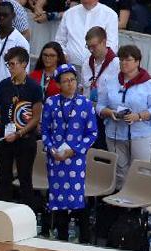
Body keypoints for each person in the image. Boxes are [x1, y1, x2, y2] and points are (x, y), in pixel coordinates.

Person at [42, 65, 97, 241]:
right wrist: (52, 150)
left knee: (77, 197)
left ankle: (85, 238)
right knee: (57, 198)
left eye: (72, 80)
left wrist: (75, 150)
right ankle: (62, 237)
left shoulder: (86, 104)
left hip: (76, 159)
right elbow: (45, 131)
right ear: (58, 84)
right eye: (65, 81)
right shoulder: (50, 102)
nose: (70, 84)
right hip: (56, 158)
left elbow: (92, 133)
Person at [0, 47, 43, 208]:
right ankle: (4, 215)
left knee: (25, 179)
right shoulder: (4, 85)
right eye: (8, 65)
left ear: (24, 64)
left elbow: (36, 116)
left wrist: (19, 133)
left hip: (25, 139)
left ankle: (27, 216)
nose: (10, 68)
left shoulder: (34, 87)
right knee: (4, 180)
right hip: (4, 139)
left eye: (13, 64)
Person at [99, 44, 151, 184]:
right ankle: (120, 204)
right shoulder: (110, 81)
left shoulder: (149, 83)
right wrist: (109, 112)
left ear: (137, 62)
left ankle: (140, 204)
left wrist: (138, 116)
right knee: (119, 173)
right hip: (114, 133)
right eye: (121, 59)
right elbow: (100, 106)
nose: (123, 63)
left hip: (140, 134)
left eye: (128, 60)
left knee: (141, 172)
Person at [60, 0, 117, 69]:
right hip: (71, 66)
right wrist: (63, 54)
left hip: (97, 67)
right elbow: (60, 40)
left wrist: (100, 63)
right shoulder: (69, 13)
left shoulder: (109, 14)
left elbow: (111, 44)